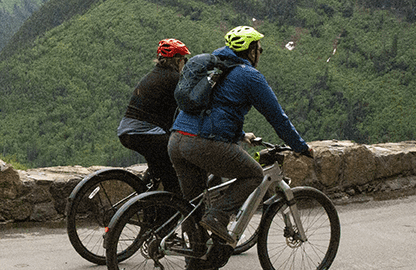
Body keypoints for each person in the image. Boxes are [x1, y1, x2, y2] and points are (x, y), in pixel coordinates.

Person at [168, 26, 312, 248]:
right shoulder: (249, 76)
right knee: (254, 174)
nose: (260, 54)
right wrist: (300, 147)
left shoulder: (215, 66)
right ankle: (219, 216)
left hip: (177, 139)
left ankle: (198, 257)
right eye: (259, 49)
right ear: (251, 50)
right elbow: (277, 118)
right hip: (203, 142)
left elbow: (214, 107)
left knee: (193, 205)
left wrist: (240, 135)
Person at [116, 38, 189, 191]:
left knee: (159, 167)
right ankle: (170, 209)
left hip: (127, 131)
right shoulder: (175, 79)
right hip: (145, 134)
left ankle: (150, 197)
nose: (185, 63)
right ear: (177, 61)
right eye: (184, 60)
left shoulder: (155, 74)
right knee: (173, 180)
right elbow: (187, 108)